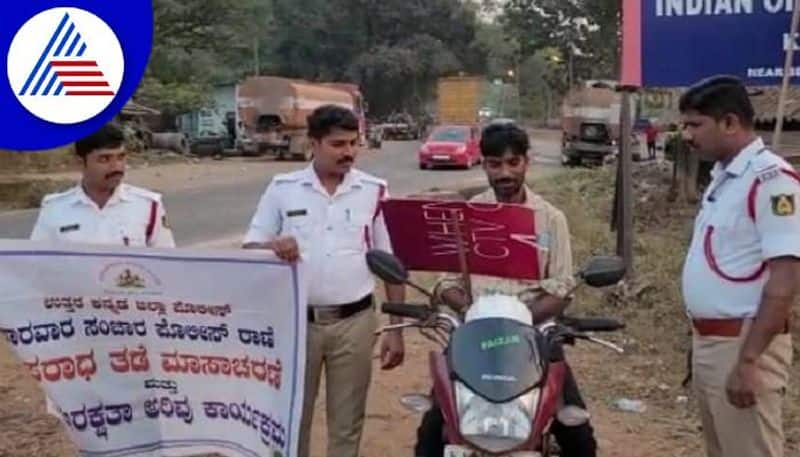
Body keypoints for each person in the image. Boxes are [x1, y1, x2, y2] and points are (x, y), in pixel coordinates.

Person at [414, 122, 597, 457]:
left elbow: (561, 287)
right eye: (495, 164)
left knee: (578, 435)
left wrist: (521, 318)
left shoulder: (550, 219)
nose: (505, 172)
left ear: (527, 162)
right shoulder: (466, 216)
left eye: (513, 163)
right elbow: (445, 282)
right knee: (434, 431)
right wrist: (471, 311)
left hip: (534, 341)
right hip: (473, 338)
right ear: (484, 164)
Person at [242, 105, 406, 457]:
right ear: (313, 143)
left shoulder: (374, 191)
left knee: (347, 422)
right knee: (291, 417)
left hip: (356, 323)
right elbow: (251, 248)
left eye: (353, 143)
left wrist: (396, 328)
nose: (348, 152)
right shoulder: (283, 189)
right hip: (295, 323)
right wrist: (273, 246)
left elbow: (390, 260)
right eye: (337, 144)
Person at [680, 75, 799, 457]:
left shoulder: (772, 182)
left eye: (695, 124)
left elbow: (786, 277)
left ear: (730, 122)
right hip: (712, 343)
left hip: (744, 345)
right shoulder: (726, 180)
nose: (686, 134)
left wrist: (749, 360)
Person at [30, 123, 174, 248]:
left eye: (121, 157)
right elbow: (38, 265)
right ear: (81, 163)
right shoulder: (55, 209)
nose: (116, 167)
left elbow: (165, 264)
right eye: (104, 159)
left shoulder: (148, 206)